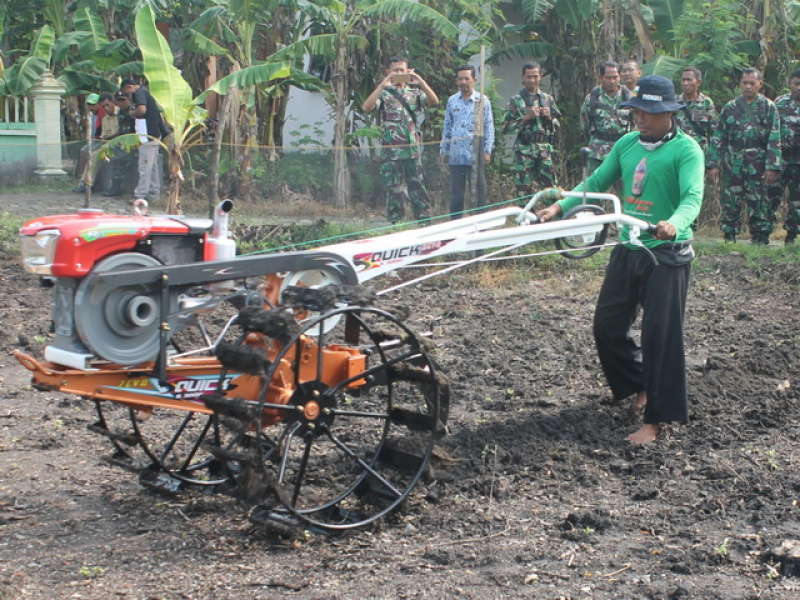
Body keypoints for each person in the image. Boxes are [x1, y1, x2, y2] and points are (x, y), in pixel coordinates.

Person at [537, 75, 704, 445]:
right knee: (607, 327)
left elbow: (692, 198)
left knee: (660, 337)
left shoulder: (687, 150)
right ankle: (638, 384)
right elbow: (597, 181)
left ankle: (656, 422)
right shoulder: (627, 144)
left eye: (649, 112)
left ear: (668, 113)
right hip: (630, 248)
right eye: (637, 111)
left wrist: (673, 224)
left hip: (667, 255)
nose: (641, 118)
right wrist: (561, 205)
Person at [707, 68, 782, 244]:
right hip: (733, 163)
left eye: (752, 83)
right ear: (740, 84)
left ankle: (760, 238)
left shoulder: (768, 107)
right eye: (745, 83)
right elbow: (719, 137)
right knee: (730, 201)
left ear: (760, 84)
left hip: (758, 164)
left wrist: (773, 166)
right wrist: (713, 164)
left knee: (760, 201)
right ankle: (729, 235)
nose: (748, 86)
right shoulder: (730, 107)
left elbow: (774, 137)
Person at [362, 57, 438, 223]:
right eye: (395, 70)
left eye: (401, 70)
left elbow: (434, 101)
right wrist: (382, 85)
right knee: (394, 189)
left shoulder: (414, 94)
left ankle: (424, 221)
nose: (398, 73)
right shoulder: (384, 94)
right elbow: (366, 107)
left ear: (407, 71)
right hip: (391, 152)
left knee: (417, 187)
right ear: (389, 72)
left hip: (412, 150)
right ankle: (395, 222)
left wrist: (421, 82)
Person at [440, 64, 494, 218]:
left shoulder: (482, 101)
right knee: (456, 195)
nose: (463, 82)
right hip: (456, 156)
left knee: (479, 194)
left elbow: (489, 126)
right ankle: (455, 227)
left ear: (474, 80)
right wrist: (444, 150)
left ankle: (481, 227)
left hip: (476, 154)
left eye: (466, 78)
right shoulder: (452, 101)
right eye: (460, 79)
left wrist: (487, 150)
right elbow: (447, 127)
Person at [501, 62, 560, 197]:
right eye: (529, 77)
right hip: (524, 150)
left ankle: (551, 216)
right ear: (523, 78)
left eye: (535, 76)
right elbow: (505, 127)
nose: (532, 80)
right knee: (524, 190)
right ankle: (527, 217)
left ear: (540, 77)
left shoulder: (547, 99)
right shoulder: (515, 101)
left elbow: (557, 125)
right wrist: (526, 118)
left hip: (544, 150)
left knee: (551, 189)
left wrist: (549, 117)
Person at [580, 61, 634, 175]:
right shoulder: (592, 99)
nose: (612, 81)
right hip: (597, 152)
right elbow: (585, 125)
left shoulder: (629, 98)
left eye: (615, 77)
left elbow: (637, 124)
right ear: (601, 78)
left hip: (623, 150)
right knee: (593, 188)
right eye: (608, 78)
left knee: (626, 189)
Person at [121, 79, 168, 204]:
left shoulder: (139, 92)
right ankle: (154, 193)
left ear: (129, 87)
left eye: (126, 91)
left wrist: (132, 113)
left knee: (144, 166)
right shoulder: (146, 93)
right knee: (152, 167)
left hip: (148, 136)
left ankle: (140, 195)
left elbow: (142, 110)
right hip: (154, 135)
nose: (127, 95)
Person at [770, 69, 800, 245]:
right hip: (781, 159)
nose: (799, 88)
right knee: (773, 196)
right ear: (790, 84)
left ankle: (792, 235)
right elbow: (772, 130)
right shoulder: (780, 103)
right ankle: (763, 234)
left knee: (797, 201)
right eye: (796, 83)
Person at [675, 67, 717, 153]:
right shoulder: (674, 102)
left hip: (699, 151)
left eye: (689, 80)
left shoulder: (706, 103)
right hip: (677, 150)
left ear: (698, 82)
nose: (685, 83)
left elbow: (714, 133)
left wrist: (713, 160)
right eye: (683, 80)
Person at [73, 93, 106, 193]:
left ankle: (86, 183)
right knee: (84, 152)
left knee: (91, 156)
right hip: (95, 140)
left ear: (98, 104)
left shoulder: (102, 112)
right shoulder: (92, 114)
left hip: (102, 140)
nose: (91, 107)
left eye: (93, 104)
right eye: (89, 104)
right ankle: (83, 180)